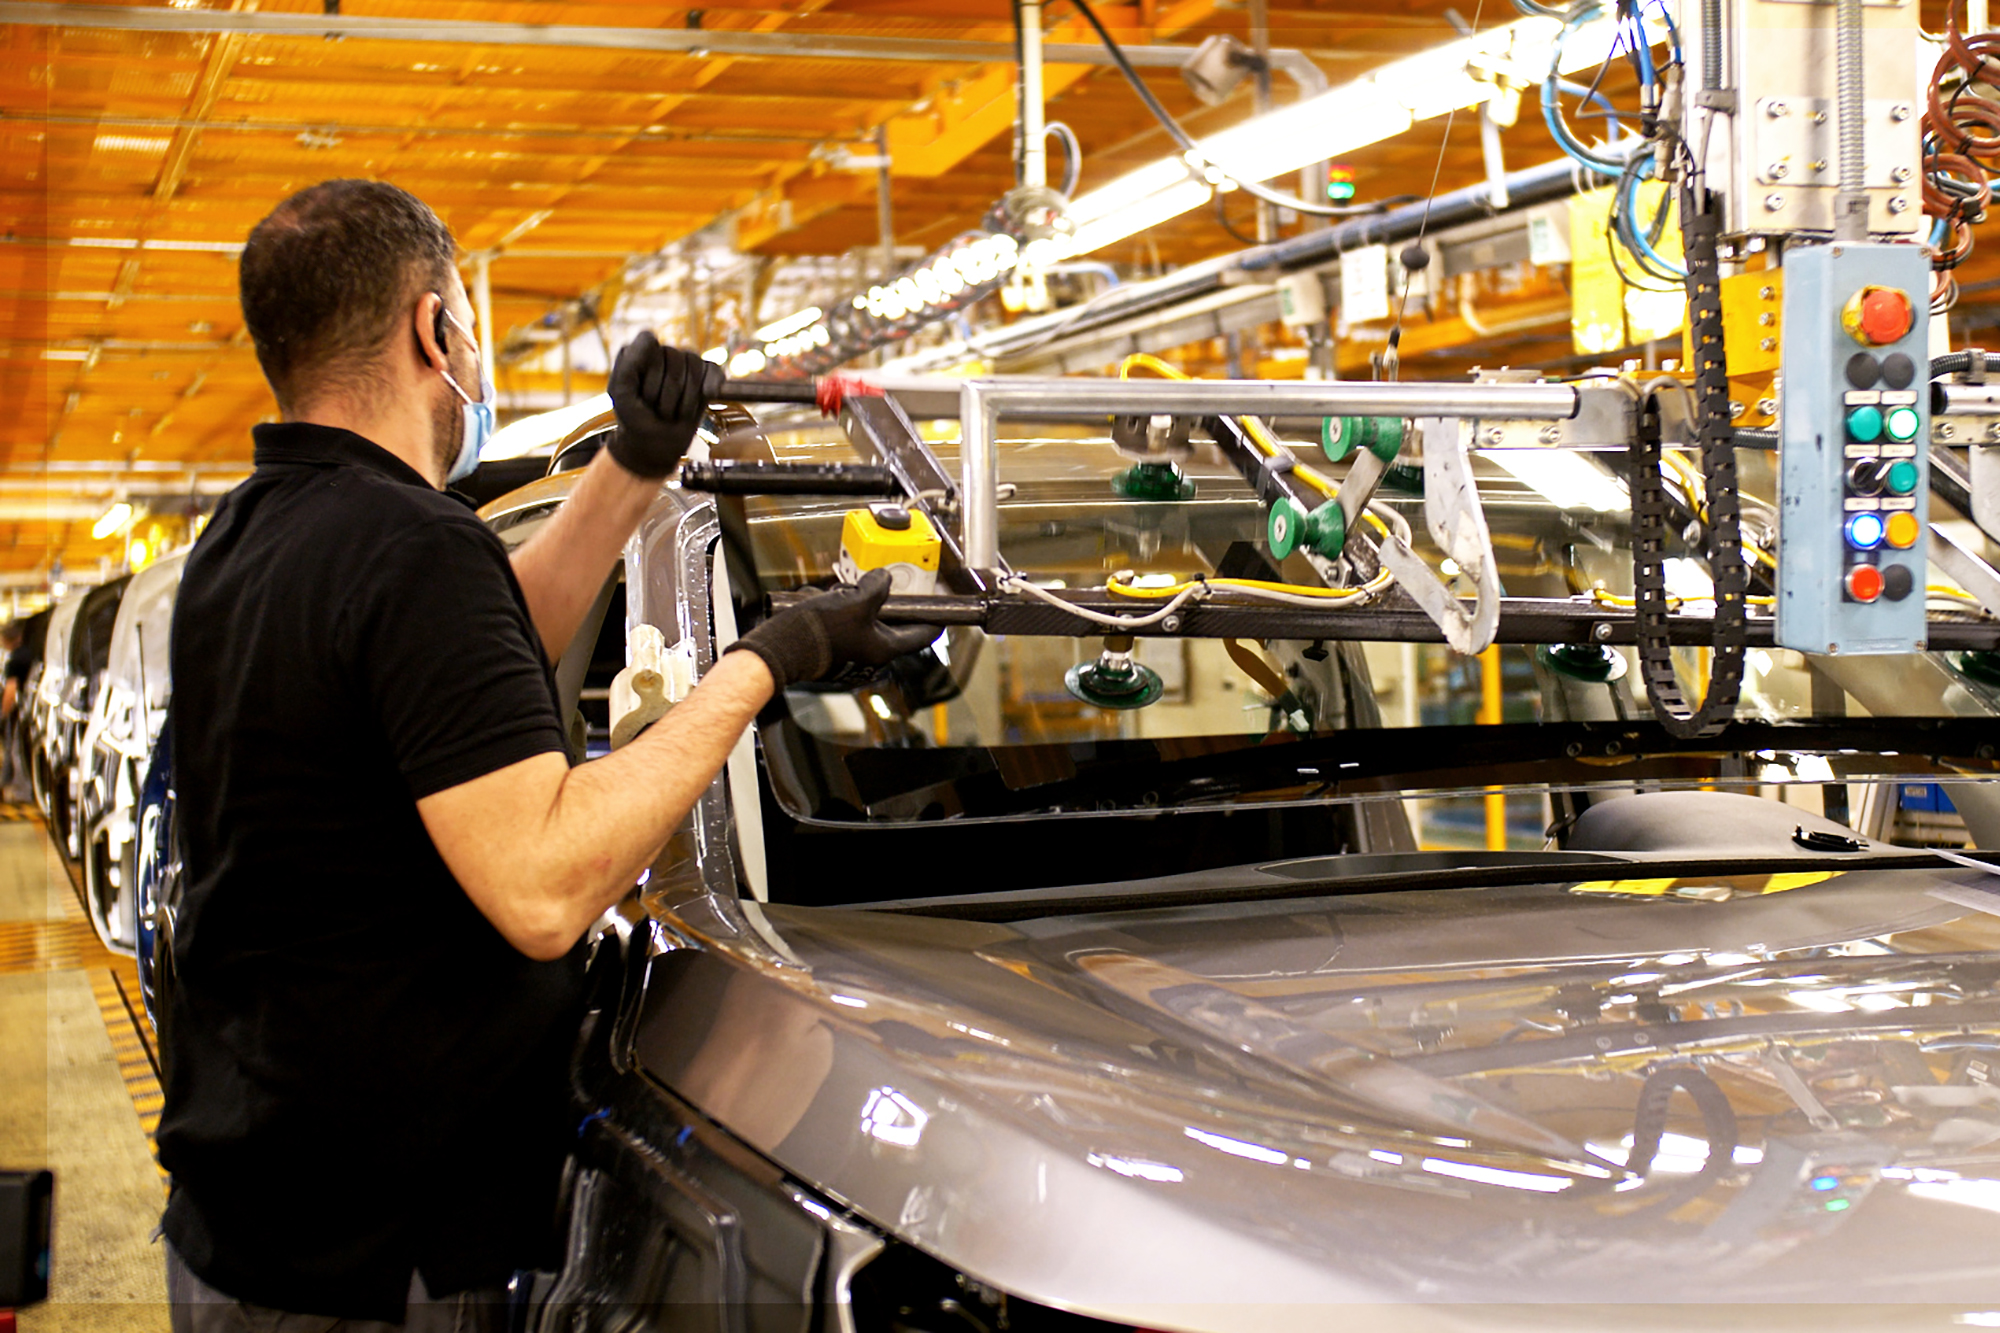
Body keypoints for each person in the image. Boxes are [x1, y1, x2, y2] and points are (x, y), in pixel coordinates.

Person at [156, 179, 935, 1330]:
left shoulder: (250, 537)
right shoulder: (409, 546)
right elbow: (542, 885)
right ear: (434, 327)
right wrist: (766, 660)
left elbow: (467, 669)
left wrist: (635, 463)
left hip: (259, 1209)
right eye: (465, 322)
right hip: (374, 1264)